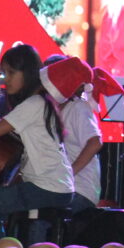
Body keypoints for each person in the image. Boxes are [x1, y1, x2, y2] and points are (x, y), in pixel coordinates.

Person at [0, 44, 74, 242]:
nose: (6, 79)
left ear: (28, 73)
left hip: (47, 187)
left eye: (11, 73)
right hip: (55, 185)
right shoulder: (40, 102)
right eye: (4, 73)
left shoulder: (32, 104)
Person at [42, 56, 102, 214]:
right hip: (58, 188)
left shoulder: (78, 108)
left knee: (38, 212)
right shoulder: (48, 109)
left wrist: (67, 174)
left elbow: (95, 143)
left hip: (79, 190)